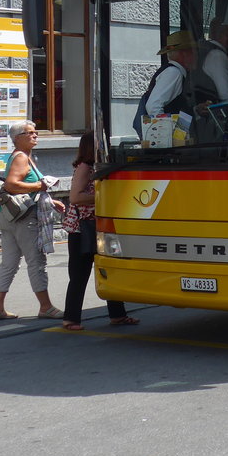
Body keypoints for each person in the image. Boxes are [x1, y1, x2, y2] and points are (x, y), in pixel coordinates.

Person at [0, 121, 65, 320]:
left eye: (35, 132)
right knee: (36, 261)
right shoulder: (21, 158)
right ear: (17, 138)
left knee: (9, 264)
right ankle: (45, 307)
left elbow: (22, 189)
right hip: (25, 218)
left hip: (11, 217)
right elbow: (12, 185)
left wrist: (50, 201)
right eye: (29, 133)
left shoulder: (22, 156)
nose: (35, 135)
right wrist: (40, 185)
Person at [62, 131, 138, 331]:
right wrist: (102, 196)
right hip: (82, 228)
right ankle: (71, 318)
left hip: (96, 225)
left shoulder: (95, 167)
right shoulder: (84, 167)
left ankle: (118, 314)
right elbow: (75, 197)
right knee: (79, 274)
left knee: (109, 269)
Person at [133, 30, 201, 135]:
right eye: (195, 52)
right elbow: (153, 106)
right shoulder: (173, 73)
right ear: (184, 53)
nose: (197, 56)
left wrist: (196, 110)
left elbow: (176, 109)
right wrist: (166, 136)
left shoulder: (177, 73)